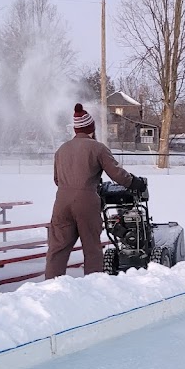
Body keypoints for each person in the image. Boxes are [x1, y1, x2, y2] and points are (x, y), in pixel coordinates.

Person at [44, 103, 147, 279]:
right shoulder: (98, 148)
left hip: (61, 203)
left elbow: (56, 180)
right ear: (91, 129)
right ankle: (93, 286)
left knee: (58, 248)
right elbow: (117, 175)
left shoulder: (61, 150)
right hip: (87, 203)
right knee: (91, 248)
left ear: (76, 130)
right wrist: (134, 183)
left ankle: (50, 286)